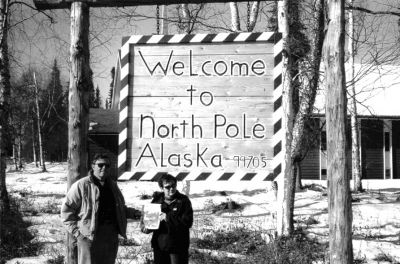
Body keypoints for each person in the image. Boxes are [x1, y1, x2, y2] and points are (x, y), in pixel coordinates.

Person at [61, 153, 141, 264]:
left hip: (110, 235)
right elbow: (66, 212)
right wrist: (78, 234)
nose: (104, 168)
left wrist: (136, 213)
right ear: (93, 166)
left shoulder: (112, 185)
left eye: (107, 165)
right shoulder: (82, 185)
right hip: (89, 236)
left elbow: (120, 209)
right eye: (100, 165)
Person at [141, 174, 193, 264]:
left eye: (173, 186)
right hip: (160, 246)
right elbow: (146, 223)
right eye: (168, 187)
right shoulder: (156, 201)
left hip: (178, 246)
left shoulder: (184, 201)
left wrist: (168, 218)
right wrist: (146, 227)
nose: (171, 189)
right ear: (162, 188)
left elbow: (187, 222)